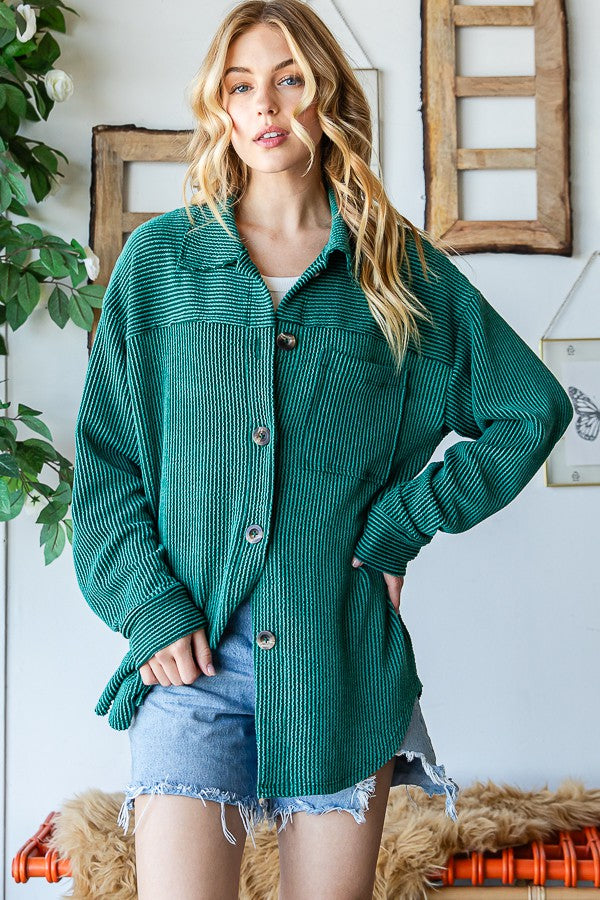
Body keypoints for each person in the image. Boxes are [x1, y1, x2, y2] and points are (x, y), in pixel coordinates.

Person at [70, 1, 574, 897]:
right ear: (221, 107)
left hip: (338, 664)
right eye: (241, 85)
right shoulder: (160, 264)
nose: (265, 105)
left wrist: (400, 523)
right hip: (191, 669)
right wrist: (147, 604)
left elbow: (528, 408)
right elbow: (109, 461)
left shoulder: (396, 271)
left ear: (326, 94)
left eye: (289, 80)